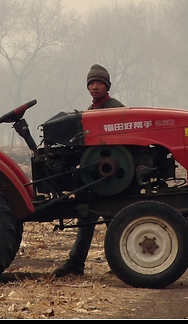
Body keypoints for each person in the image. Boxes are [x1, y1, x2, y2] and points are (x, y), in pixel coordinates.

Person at [53, 64, 124, 278]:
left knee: (115, 219)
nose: (95, 87)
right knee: (88, 217)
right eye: (91, 83)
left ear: (107, 86)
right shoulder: (90, 111)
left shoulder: (116, 109)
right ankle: (78, 265)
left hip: (113, 177)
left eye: (99, 83)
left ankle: (121, 263)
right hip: (95, 177)